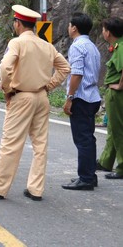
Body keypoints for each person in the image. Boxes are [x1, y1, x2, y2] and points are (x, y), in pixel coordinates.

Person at [0, 5, 70, 201]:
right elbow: (65, 68)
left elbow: (5, 66)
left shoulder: (16, 43)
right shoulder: (46, 45)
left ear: (17, 23)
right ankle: (36, 189)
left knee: (11, 143)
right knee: (40, 144)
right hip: (41, 97)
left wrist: (7, 89)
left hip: (21, 96)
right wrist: (48, 86)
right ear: (33, 26)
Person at [61, 13, 101, 191]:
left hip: (82, 98)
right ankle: (90, 175)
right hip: (93, 96)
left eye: (69, 25)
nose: (68, 28)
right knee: (88, 138)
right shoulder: (93, 46)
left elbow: (76, 74)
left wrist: (69, 98)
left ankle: (85, 178)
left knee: (82, 139)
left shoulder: (77, 46)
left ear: (74, 27)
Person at [97, 17, 123, 180]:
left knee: (118, 130)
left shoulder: (120, 47)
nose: (102, 32)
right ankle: (106, 161)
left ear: (109, 32)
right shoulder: (118, 45)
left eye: (104, 29)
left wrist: (120, 86)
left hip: (117, 94)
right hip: (114, 93)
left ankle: (121, 167)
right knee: (113, 129)